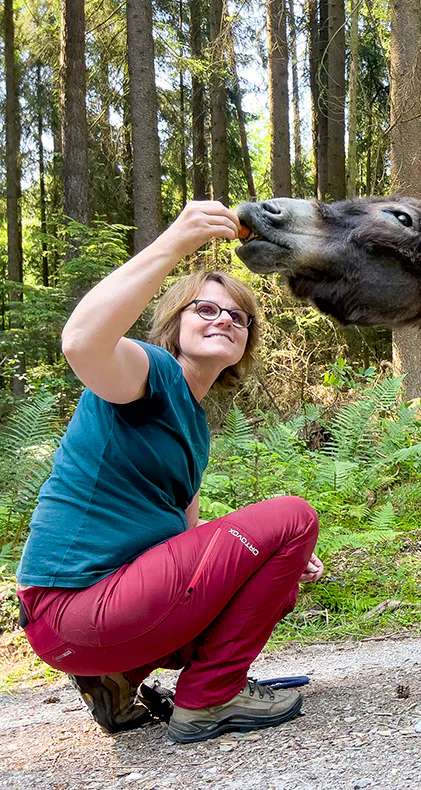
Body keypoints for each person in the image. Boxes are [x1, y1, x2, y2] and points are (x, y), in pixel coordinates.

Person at [15, 201, 324, 744]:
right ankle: (210, 698)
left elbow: (185, 544)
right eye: (205, 309)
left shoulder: (195, 428)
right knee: (293, 516)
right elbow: (81, 343)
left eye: (238, 316)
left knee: (281, 565)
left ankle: (116, 680)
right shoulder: (147, 373)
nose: (224, 319)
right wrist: (171, 245)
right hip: (74, 609)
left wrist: (274, 562)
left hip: (108, 627)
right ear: (173, 322)